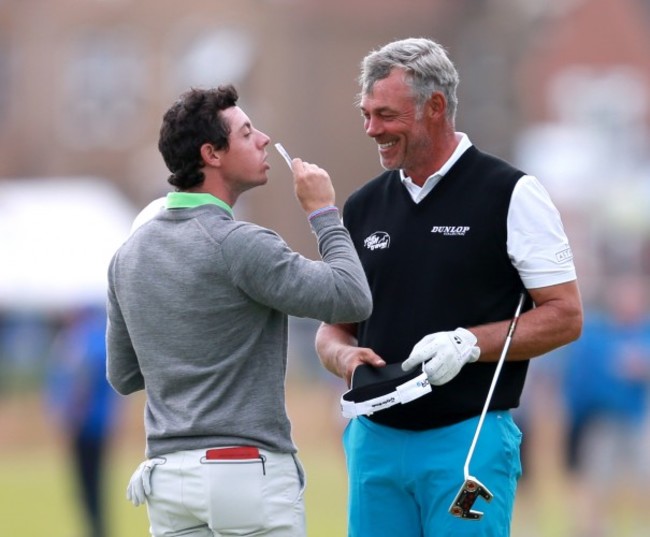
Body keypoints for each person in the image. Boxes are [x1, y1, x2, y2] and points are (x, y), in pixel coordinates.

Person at [315, 37, 583, 537]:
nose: (372, 129)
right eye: (366, 114)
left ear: (435, 107)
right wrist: (341, 357)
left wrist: (467, 343)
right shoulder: (362, 207)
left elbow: (565, 315)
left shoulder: (510, 193)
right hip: (374, 442)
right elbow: (334, 329)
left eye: (386, 115)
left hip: (469, 439)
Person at [105, 84, 372, 537]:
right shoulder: (241, 244)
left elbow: (123, 376)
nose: (264, 139)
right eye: (247, 133)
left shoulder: (127, 254)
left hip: (168, 480)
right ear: (212, 154)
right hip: (245, 471)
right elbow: (351, 296)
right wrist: (324, 212)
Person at [561, 275, 650, 537]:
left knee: (642, 476)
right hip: (602, 419)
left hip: (637, 420)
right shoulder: (597, 334)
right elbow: (580, 377)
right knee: (597, 478)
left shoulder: (645, 332)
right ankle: (591, 528)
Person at [46, 305, 120, 537]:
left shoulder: (80, 342)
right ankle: (97, 529)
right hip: (100, 423)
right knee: (95, 484)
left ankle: (95, 531)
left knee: (87, 484)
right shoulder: (101, 341)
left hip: (85, 425)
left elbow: (81, 383)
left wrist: (70, 419)